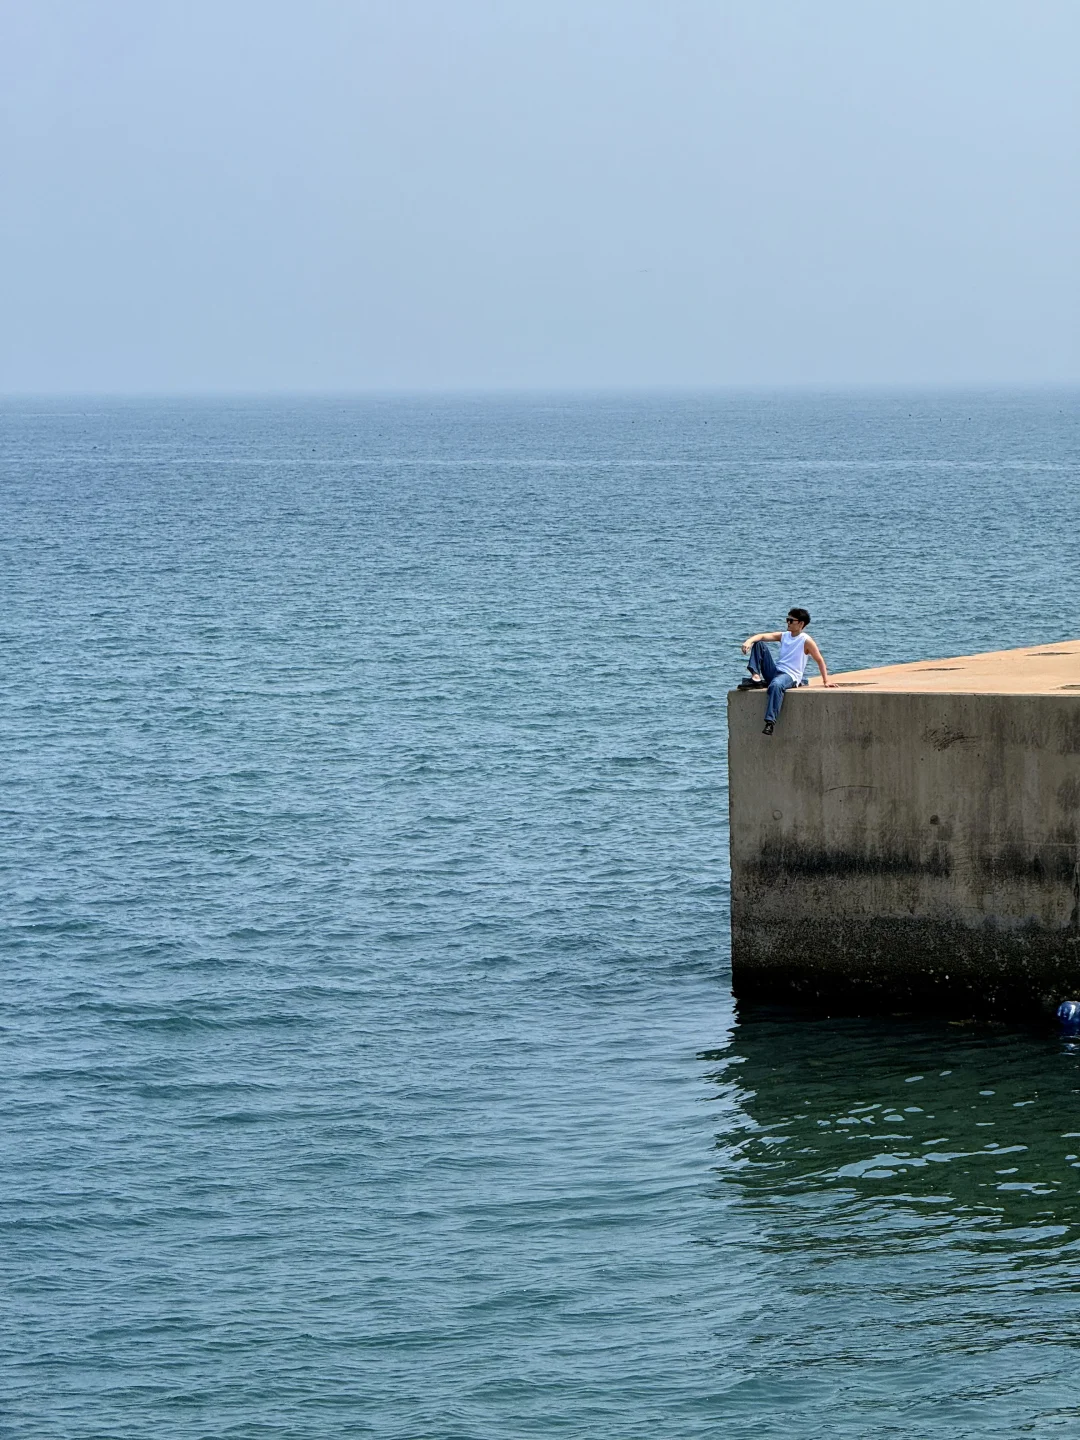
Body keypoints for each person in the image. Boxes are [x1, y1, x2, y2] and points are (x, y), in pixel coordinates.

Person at [738, 608, 833, 735]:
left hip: (790, 675)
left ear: (801, 624)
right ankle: (756, 677)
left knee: (777, 685)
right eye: (787, 620)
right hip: (776, 671)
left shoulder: (806, 640)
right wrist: (748, 641)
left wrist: (826, 681)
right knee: (759, 644)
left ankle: (770, 722)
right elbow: (762, 636)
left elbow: (819, 660)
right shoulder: (785, 635)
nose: (788, 623)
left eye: (791, 620)